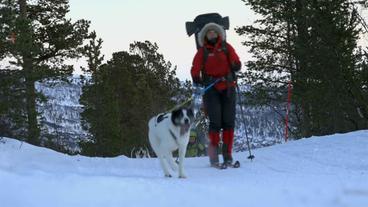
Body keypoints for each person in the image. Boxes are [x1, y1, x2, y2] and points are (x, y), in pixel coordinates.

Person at [191, 22, 241, 167]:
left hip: (228, 87)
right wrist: (196, 78)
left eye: (214, 32)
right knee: (215, 123)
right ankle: (213, 157)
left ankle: (227, 155)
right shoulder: (202, 52)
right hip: (211, 89)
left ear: (218, 33)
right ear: (205, 35)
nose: (212, 34)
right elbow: (195, 67)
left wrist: (236, 65)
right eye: (209, 32)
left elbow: (235, 60)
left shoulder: (226, 47)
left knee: (228, 122)